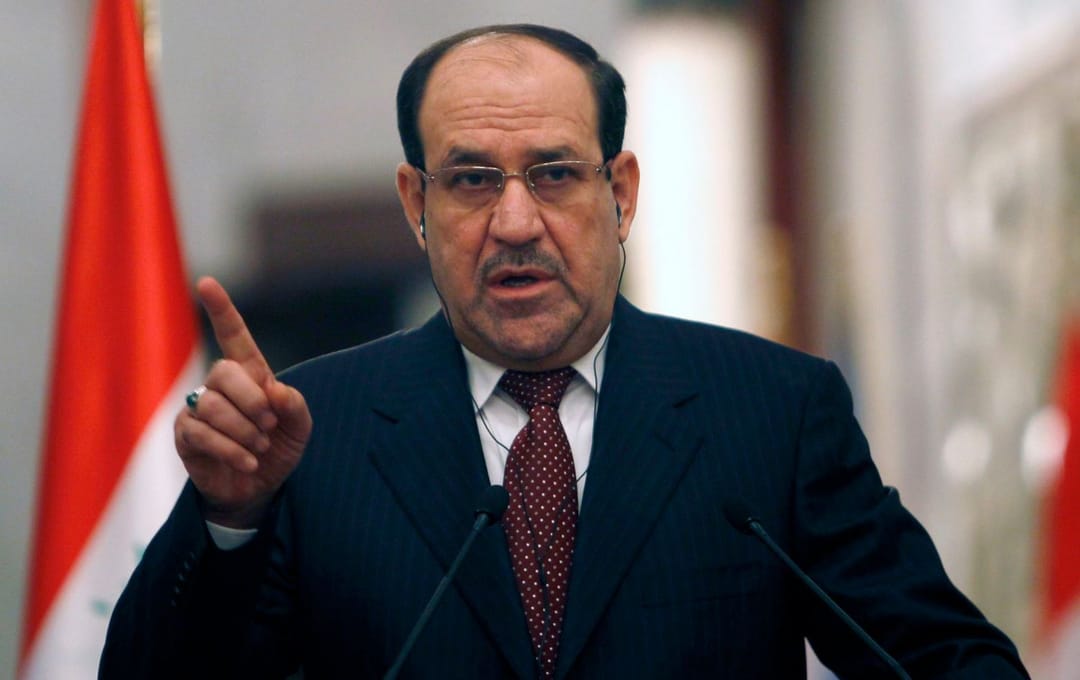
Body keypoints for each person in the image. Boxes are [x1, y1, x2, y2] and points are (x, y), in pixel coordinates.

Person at [100, 24, 1028, 679]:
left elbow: (950, 661)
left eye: (553, 174)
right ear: (417, 204)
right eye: (471, 180)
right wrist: (230, 519)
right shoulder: (309, 436)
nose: (514, 222)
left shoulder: (772, 412)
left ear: (620, 194)